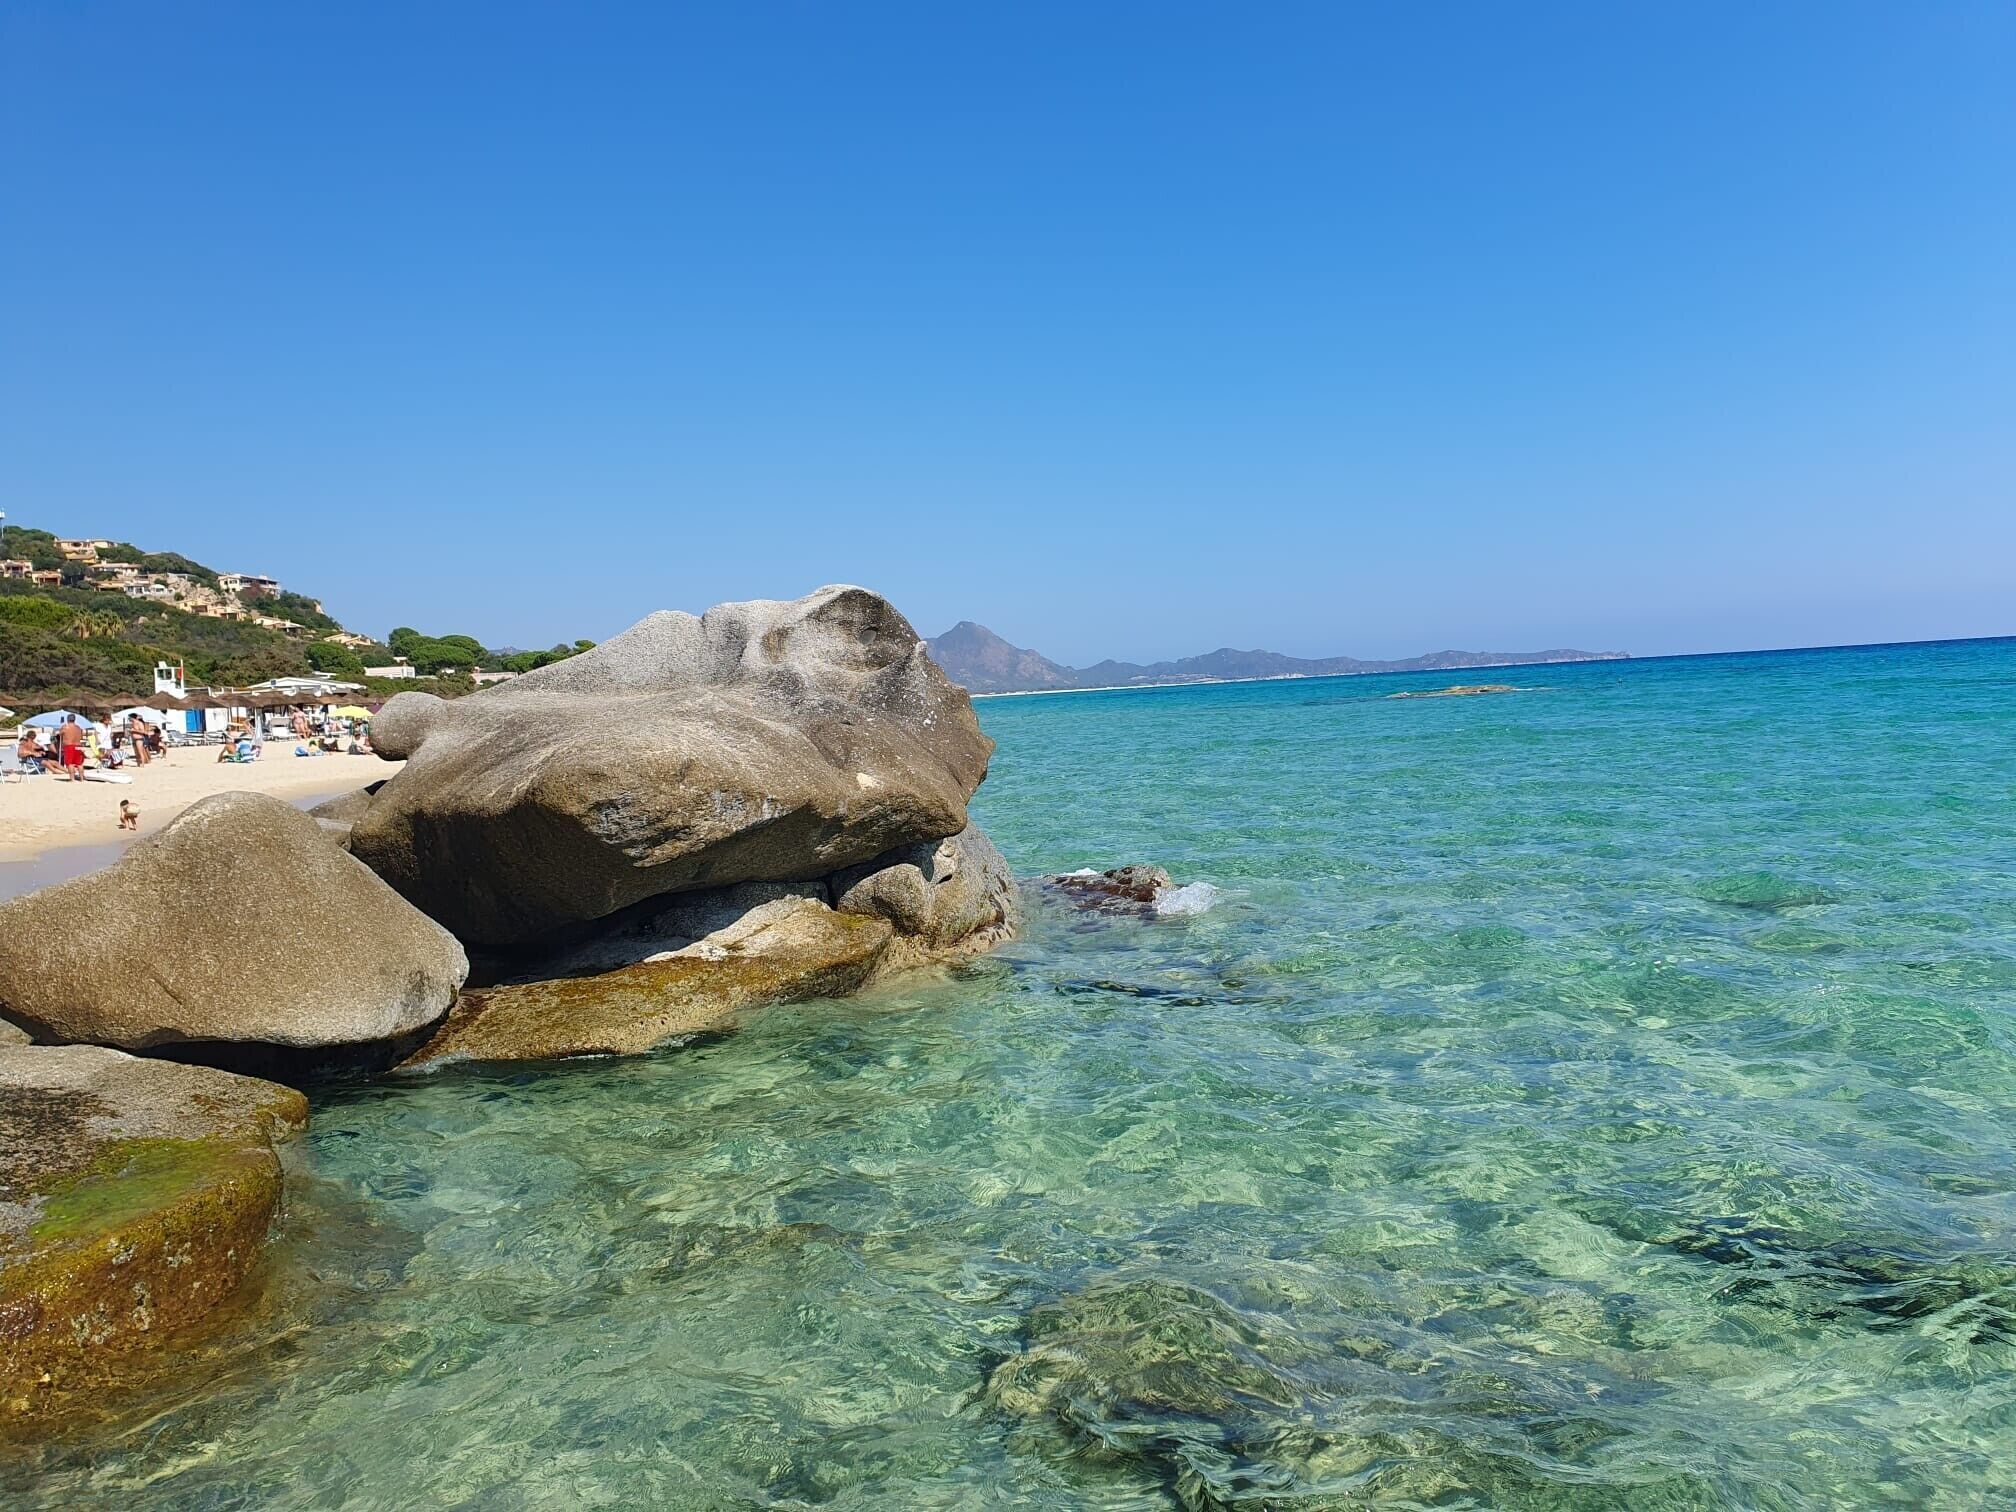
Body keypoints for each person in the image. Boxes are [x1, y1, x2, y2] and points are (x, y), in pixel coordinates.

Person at [56, 715, 86, 781]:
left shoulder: (65, 727)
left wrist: (61, 728)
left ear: (67, 719)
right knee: (79, 763)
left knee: (70, 763)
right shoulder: (78, 728)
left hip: (69, 746)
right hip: (78, 746)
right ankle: (82, 779)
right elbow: (81, 736)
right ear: (74, 719)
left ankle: (72, 779)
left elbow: (59, 734)